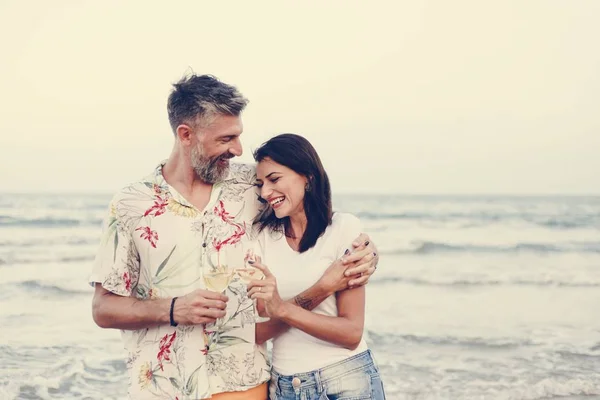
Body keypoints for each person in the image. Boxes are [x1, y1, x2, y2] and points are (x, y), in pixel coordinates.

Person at [90, 74, 379, 400]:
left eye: (238, 136)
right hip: (162, 388)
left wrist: (365, 250)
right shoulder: (131, 205)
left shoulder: (252, 185)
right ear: (186, 135)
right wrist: (173, 309)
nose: (238, 149)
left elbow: (311, 213)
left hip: (244, 384)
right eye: (226, 139)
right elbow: (103, 308)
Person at [247, 134, 386, 400]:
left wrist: (284, 308)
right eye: (261, 184)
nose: (265, 192)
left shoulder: (344, 228)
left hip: (346, 379)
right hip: (286, 387)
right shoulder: (262, 239)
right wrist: (323, 287)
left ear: (307, 177)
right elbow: (258, 330)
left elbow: (350, 333)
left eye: (275, 179)